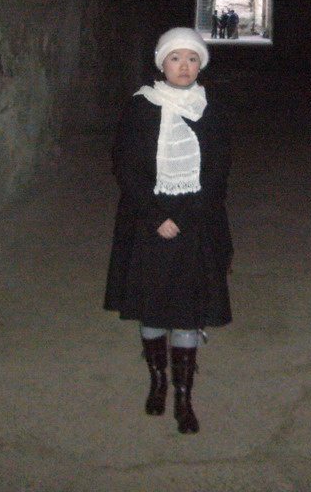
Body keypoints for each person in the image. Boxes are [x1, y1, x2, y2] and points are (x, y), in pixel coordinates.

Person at [104, 27, 233, 434]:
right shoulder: (141, 107)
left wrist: (190, 215)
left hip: (196, 221)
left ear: (201, 65)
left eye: (192, 58)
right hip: (148, 220)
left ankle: (184, 395)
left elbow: (217, 172)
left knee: (188, 309)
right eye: (176, 58)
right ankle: (158, 382)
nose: (184, 66)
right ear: (162, 63)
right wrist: (155, 215)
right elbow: (125, 166)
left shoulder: (210, 108)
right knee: (153, 302)